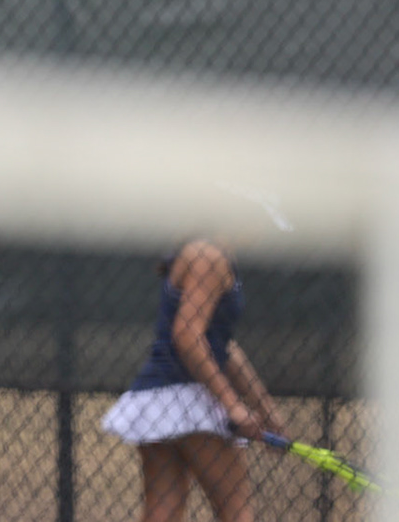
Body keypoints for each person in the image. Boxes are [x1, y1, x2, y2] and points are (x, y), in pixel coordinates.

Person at [100, 219, 287, 522]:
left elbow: (223, 347)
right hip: (188, 397)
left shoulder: (211, 255)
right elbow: (187, 336)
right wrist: (234, 407)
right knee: (237, 513)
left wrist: (265, 409)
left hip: (158, 397)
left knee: (164, 511)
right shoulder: (209, 256)